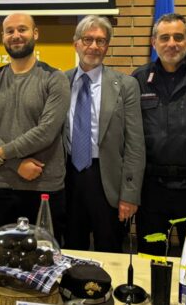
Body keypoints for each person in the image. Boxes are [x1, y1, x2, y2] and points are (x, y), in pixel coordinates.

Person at [0, 13, 70, 238]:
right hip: (1, 187)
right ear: (3, 37)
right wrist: (16, 164)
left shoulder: (55, 78)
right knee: (2, 262)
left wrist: (0, 153)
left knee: (44, 263)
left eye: (22, 29)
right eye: (10, 31)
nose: (16, 35)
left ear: (35, 33)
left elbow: (46, 131)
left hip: (44, 187)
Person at [132, 13, 186, 256]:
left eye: (178, 37)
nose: (172, 43)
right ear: (154, 42)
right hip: (152, 190)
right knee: (150, 257)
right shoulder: (138, 79)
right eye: (165, 37)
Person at [64, 15, 145, 252]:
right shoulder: (59, 80)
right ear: (76, 43)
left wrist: (130, 195)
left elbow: (135, 144)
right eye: (88, 39)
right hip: (68, 177)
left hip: (107, 179)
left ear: (107, 46)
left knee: (109, 248)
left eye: (101, 41)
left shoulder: (125, 85)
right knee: (70, 247)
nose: (94, 46)